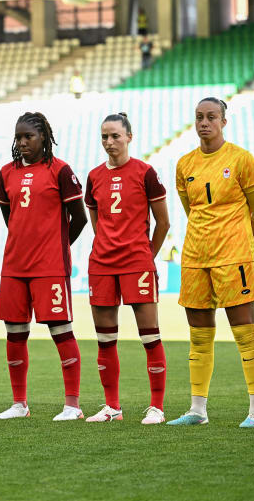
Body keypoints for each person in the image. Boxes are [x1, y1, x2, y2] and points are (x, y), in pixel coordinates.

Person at [168, 98, 254, 427]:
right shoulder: (185, 165)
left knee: (245, 332)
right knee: (198, 336)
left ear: (224, 121)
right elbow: (191, 210)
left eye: (211, 117)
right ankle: (197, 410)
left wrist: (247, 242)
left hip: (234, 256)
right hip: (196, 257)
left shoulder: (242, 160)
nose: (204, 122)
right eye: (199, 117)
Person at [0, 112, 87, 420]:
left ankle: (72, 405)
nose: (22, 143)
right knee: (15, 334)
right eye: (18, 137)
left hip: (50, 267)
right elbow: (11, 220)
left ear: (43, 136)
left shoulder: (60, 171)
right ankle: (19, 404)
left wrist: (55, 248)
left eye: (28, 137)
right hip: (14, 266)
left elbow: (80, 218)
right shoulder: (6, 172)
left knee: (61, 332)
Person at [82, 113, 171, 424]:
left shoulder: (145, 172)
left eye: (115, 136)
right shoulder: (94, 176)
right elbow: (97, 223)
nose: (109, 142)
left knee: (150, 337)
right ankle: (112, 407)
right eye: (105, 137)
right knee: (105, 339)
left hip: (137, 265)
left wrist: (147, 255)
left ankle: (157, 407)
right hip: (102, 265)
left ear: (129, 137)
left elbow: (164, 223)